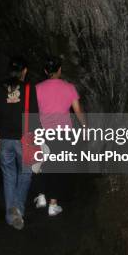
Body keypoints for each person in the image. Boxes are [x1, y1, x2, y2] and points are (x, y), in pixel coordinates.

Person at [32, 56, 86, 216]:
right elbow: (78, 111)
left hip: (43, 132)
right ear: (60, 70)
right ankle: (53, 205)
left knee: (42, 165)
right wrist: (85, 128)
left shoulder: (37, 88)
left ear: (45, 71)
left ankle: (41, 196)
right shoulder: (69, 88)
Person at [0, 57, 39, 230]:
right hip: (25, 138)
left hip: (5, 139)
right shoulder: (29, 88)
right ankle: (18, 210)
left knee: (9, 176)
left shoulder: (0, 89)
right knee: (25, 174)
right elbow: (34, 114)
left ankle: (11, 215)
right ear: (24, 71)